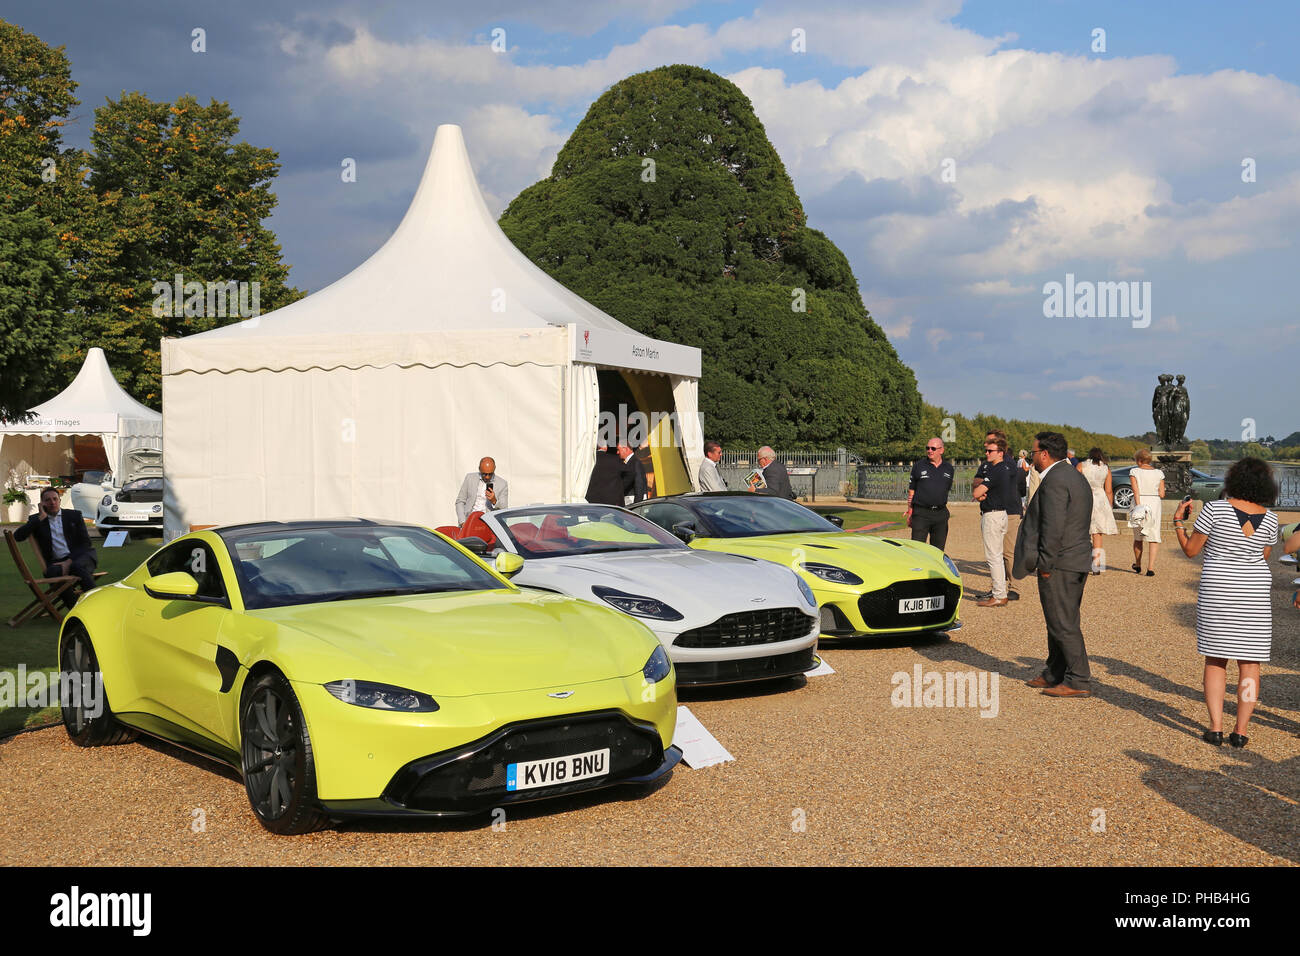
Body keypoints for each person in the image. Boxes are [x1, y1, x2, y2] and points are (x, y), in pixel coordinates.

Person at [1172, 458, 1280, 748]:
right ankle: (1241, 730)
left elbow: (1192, 551)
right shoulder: (1270, 518)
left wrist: (1178, 523)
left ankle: (1216, 727)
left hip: (1219, 590)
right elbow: (1263, 556)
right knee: (1250, 663)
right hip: (1254, 594)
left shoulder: (1215, 509)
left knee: (1216, 659)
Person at [1013, 432, 1095, 697]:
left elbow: (1053, 527)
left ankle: (1078, 679)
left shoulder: (1056, 480)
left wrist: (1045, 563)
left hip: (1061, 562)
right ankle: (1054, 671)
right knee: (1059, 619)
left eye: (1033, 452)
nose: (1032, 456)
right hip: (1075, 558)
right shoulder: (1073, 475)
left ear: (1045, 454)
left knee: (1062, 622)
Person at [14, 487, 98, 607]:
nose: (52, 502)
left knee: (77, 566)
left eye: (55, 499)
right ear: (42, 503)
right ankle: (74, 610)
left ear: (59, 500)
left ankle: (97, 603)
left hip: (81, 556)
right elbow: (18, 537)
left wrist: (68, 562)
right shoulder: (37, 519)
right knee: (52, 572)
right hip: (57, 562)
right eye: (48, 500)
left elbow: (85, 543)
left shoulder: (74, 515)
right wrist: (40, 518)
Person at [972, 435, 1020, 607]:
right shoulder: (1005, 468)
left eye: (990, 450)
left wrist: (981, 493)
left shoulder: (997, 469)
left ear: (1000, 453)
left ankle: (999, 595)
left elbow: (977, 493)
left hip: (993, 515)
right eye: (986, 450)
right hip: (1001, 514)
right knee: (997, 556)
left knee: (993, 557)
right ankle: (1000, 593)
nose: (986, 453)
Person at [906, 437, 954, 551]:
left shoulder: (949, 468)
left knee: (938, 551)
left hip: (941, 514)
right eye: (927, 448)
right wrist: (910, 511)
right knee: (917, 549)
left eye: (933, 448)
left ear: (941, 450)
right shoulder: (919, 466)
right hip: (921, 514)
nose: (930, 451)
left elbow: (946, 489)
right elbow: (911, 490)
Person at [1077, 447, 1118, 573]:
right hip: (1100, 499)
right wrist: (1109, 506)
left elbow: (1074, 483)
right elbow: (1109, 490)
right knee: (1097, 533)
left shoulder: (1081, 466)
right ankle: (1097, 564)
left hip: (1084, 497)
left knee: (1082, 531)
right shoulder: (1106, 468)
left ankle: (1082, 561)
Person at [1129, 448, 1165, 575]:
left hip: (1140, 501)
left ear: (1139, 460)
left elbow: (1135, 491)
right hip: (1154, 503)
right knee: (1154, 536)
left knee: (1138, 537)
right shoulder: (1159, 473)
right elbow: (1162, 493)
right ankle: (1150, 568)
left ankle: (1138, 564)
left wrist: (1139, 506)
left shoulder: (1134, 471)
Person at [455, 457, 508, 524]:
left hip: (489, 524)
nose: (487, 477)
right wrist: (462, 522)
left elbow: (504, 510)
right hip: (469, 521)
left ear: (494, 469)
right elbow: (460, 501)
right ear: (479, 469)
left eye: (490, 474)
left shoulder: (502, 484)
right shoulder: (470, 478)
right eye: (484, 474)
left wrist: (494, 501)